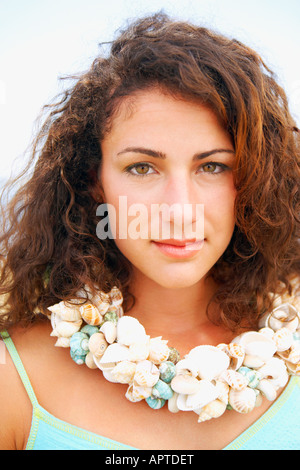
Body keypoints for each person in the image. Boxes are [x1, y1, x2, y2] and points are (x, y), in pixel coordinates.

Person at [0, 13, 299, 451]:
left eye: (213, 166)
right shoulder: (13, 382)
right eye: (142, 167)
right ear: (93, 181)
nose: (179, 210)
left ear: (254, 180)